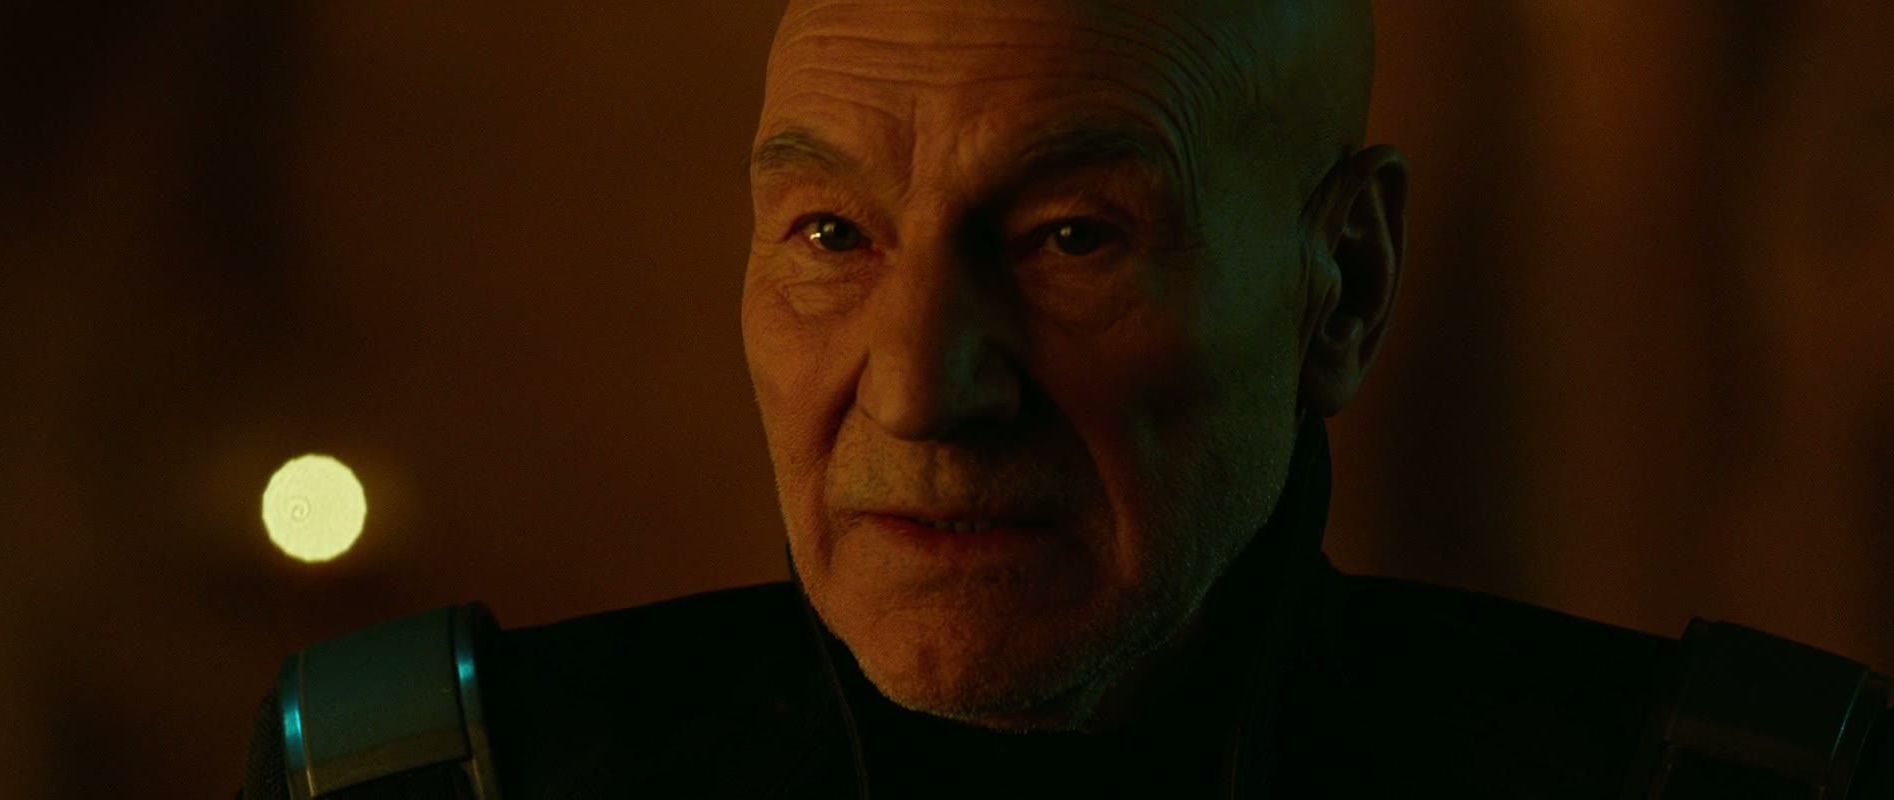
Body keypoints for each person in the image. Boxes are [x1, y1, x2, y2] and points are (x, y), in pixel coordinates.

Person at [241, 1, 1894, 797]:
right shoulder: (440, 787)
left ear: (1343, 284)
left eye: (1069, 237)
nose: (920, 389)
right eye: (831, 234)